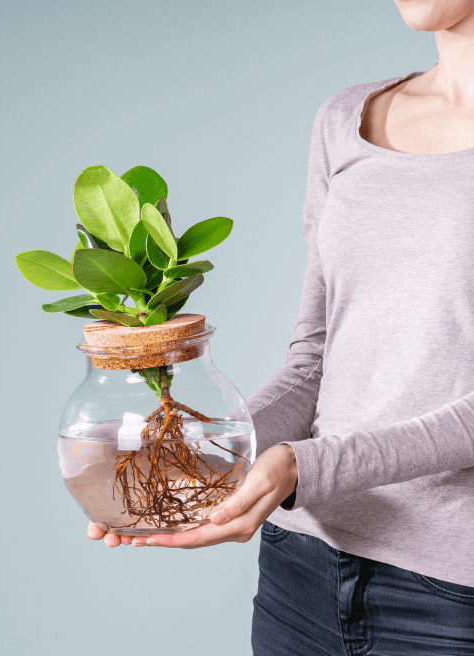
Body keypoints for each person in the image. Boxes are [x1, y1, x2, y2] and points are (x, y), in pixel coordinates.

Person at [88, 1, 474, 652]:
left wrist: (302, 468)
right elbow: (313, 360)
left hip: (450, 599)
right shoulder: (344, 121)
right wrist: (215, 459)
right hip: (302, 569)